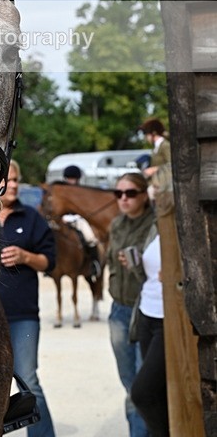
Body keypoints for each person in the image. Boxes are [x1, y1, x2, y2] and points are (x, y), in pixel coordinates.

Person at [0, 159, 57, 437]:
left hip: (23, 317)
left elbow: (50, 262)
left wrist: (25, 257)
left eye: (16, 180)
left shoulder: (31, 218)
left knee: (28, 382)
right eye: (7, 179)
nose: (13, 185)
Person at [107, 172, 155, 437]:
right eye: (119, 193)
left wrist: (137, 264)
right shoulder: (116, 224)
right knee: (129, 385)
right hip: (118, 311)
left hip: (145, 310)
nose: (124, 199)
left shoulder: (156, 225)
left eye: (130, 193)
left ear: (144, 195)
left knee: (141, 388)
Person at [130, 228, 169, 436]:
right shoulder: (156, 226)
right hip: (147, 313)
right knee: (158, 394)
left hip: (168, 320)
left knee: (142, 393)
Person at [61, 165, 102, 281]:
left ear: (78, 179)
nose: (71, 181)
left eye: (73, 178)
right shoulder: (62, 191)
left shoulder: (81, 191)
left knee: (90, 237)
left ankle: (94, 263)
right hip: (63, 219)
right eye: (69, 178)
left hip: (78, 219)